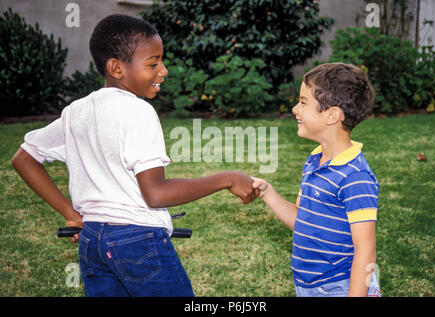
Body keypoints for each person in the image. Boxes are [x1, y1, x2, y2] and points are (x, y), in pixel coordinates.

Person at [11, 14, 258, 297]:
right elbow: (156, 193)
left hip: (93, 243)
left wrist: (71, 214)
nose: (163, 70)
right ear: (116, 67)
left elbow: (24, 157)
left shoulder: (75, 112)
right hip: (139, 243)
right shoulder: (138, 111)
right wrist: (227, 178)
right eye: (153, 63)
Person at [252, 62, 381, 297]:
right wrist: (267, 192)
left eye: (303, 102)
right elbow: (302, 221)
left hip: (340, 287)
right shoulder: (314, 161)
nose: (294, 109)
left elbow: (366, 252)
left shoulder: (355, 177)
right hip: (308, 285)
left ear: (332, 115)